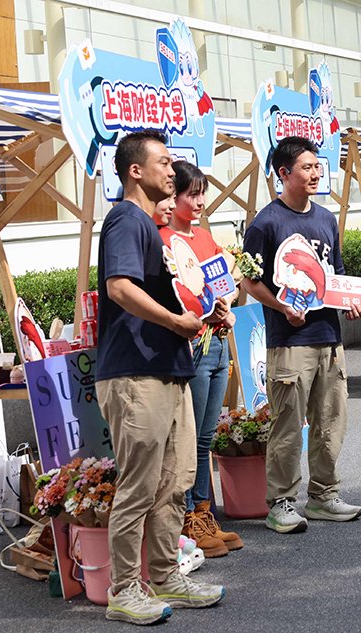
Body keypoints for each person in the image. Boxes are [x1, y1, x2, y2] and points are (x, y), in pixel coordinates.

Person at [95, 130, 224, 625]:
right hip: (134, 372)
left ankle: (168, 576)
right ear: (135, 171)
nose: (173, 171)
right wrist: (175, 322)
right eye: (164, 163)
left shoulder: (153, 227)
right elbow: (120, 288)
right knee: (140, 485)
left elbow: (171, 295)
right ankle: (125, 590)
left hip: (168, 369)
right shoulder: (126, 219)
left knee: (175, 481)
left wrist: (207, 312)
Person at [241, 136, 361, 534]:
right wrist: (282, 307)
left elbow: (335, 275)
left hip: (330, 337)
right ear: (283, 174)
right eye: (307, 167)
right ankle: (280, 502)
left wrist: (349, 301)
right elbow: (249, 281)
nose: (315, 174)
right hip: (290, 342)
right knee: (288, 425)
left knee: (332, 420)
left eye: (317, 167)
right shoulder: (266, 222)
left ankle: (324, 496)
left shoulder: (326, 219)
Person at [159, 160, 244, 558]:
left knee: (207, 435)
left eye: (201, 193)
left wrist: (228, 307)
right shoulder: (160, 239)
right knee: (189, 438)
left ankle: (205, 512)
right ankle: (189, 515)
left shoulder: (206, 239)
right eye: (191, 194)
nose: (199, 201)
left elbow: (226, 288)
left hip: (217, 344)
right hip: (189, 347)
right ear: (171, 196)